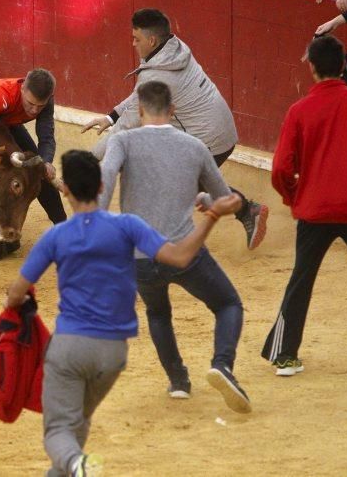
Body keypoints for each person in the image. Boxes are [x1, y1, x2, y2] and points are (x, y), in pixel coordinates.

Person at [4, 149, 242, 477]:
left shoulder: (56, 237)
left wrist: (13, 306)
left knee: (59, 431)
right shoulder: (128, 225)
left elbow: (16, 292)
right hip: (113, 352)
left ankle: (78, 464)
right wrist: (211, 217)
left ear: (67, 191)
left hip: (70, 346)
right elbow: (181, 256)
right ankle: (73, 466)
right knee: (76, 425)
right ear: (102, 188)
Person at [101, 81, 251, 413]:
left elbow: (106, 177)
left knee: (158, 312)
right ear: (173, 111)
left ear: (139, 111)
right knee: (228, 304)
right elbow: (225, 199)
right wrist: (205, 199)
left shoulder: (122, 140)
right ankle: (222, 364)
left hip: (140, 255)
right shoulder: (194, 146)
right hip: (185, 251)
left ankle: (179, 381)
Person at [82, 8, 268, 249]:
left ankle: (242, 211)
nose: (133, 44)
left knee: (169, 186)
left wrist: (88, 159)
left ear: (151, 40)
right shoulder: (172, 49)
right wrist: (111, 116)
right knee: (186, 184)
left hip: (207, 138)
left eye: (136, 39)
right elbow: (140, 94)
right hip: (219, 129)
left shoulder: (159, 72)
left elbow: (126, 128)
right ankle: (238, 208)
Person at [261, 36, 347, 378]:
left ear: (312, 68)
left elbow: (280, 169)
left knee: (301, 280)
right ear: (342, 65)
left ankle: (285, 355)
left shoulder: (299, 111)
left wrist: (296, 196)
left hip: (314, 210)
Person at [0, 69, 67, 224]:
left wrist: (45, 162)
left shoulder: (46, 101)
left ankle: (62, 225)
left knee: (38, 168)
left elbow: (46, 137)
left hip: (9, 124)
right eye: (30, 103)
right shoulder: (2, 94)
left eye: (40, 106)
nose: (34, 110)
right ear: (22, 89)